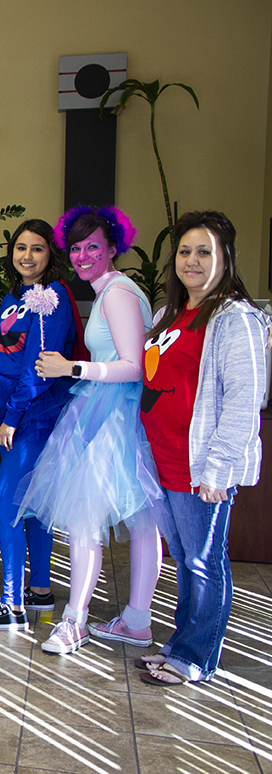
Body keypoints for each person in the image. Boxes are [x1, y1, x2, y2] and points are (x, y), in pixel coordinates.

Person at [18, 206, 169, 655]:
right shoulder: (119, 291)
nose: (83, 256)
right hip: (115, 414)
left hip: (111, 418)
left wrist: (73, 366)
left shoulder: (118, 294)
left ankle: (74, 621)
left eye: (93, 247)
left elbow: (133, 366)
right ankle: (137, 622)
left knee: (85, 521)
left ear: (113, 248)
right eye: (77, 247)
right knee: (141, 522)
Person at [133, 211, 269, 684]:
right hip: (163, 461)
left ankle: (196, 657)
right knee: (186, 559)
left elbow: (244, 399)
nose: (192, 261)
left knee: (203, 561)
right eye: (185, 251)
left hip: (199, 468)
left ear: (225, 258)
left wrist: (218, 470)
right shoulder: (170, 314)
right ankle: (178, 643)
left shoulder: (236, 320)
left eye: (204, 251)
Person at [0, 220, 81, 631]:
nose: (27, 256)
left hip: (33, 409)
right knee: (32, 502)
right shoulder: (16, 294)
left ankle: (11, 605)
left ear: (51, 255)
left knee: (7, 503)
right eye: (20, 247)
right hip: (9, 400)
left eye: (38, 249)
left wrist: (11, 416)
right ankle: (40, 592)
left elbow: (39, 364)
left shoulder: (53, 296)